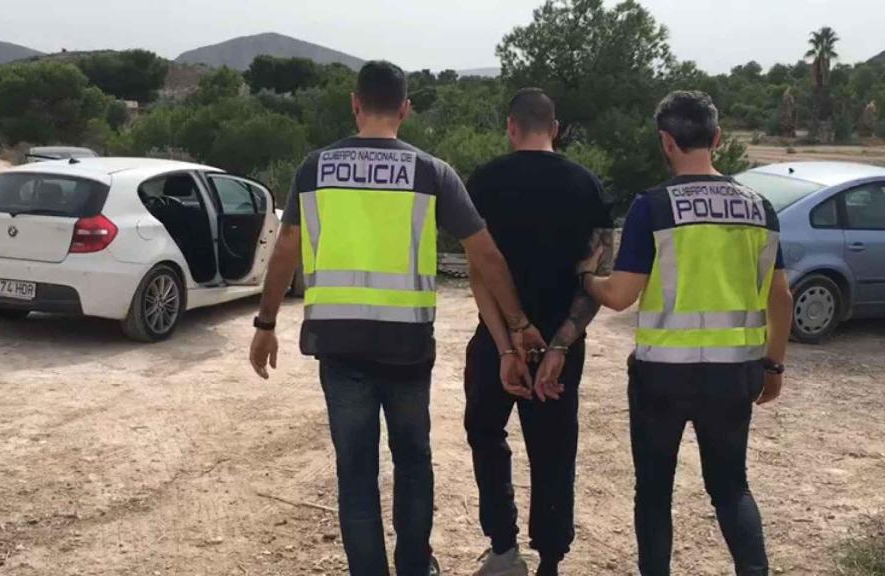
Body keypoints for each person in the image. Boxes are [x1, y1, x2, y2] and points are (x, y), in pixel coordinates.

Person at [248, 60, 545, 576]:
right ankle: (414, 566)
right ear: (405, 109)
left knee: (356, 474)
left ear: (355, 103)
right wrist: (518, 324)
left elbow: (286, 248)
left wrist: (266, 323)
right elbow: (485, 255)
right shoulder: (431, 172)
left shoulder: (315, 168)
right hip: (406, 347)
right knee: (413, 463)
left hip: (338, 347)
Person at [579, 91, 793, 576]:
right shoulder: (760, 208)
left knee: (653, 492)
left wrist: (585, 277)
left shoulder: (652, 207)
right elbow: (781, 296)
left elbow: (620, 295)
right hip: (735, 375)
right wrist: (774, 366)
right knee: (732, 489)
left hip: (662, 379)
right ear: (717, 139)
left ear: (665, 142)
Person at [464, 88, 614, 576]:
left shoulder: (482, 183)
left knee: (487, 435)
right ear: (555, 128)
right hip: (561, 346)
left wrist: (508, 343)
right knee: (554, 451)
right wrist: (558, 347)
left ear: (511, 127)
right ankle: (551, 559)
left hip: (495, 340)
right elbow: (594, 279)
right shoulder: (587, 186)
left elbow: (479, 273)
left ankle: (504, 549)